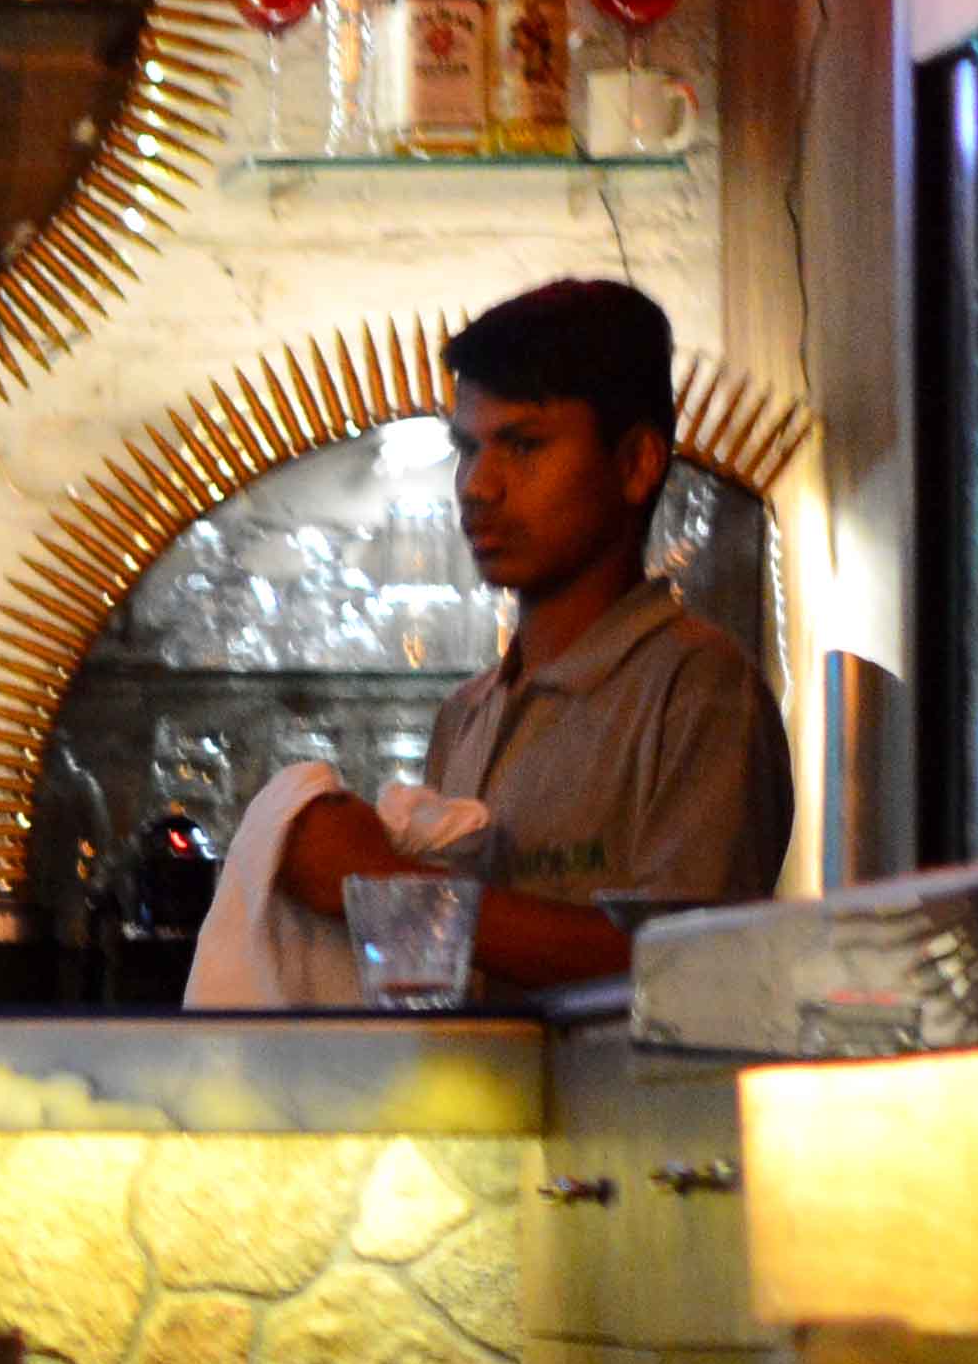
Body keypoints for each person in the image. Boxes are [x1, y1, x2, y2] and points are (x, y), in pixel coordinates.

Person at [276, 276, 792, 995]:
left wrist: (383, 884)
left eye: (522, 445)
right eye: (468, 447)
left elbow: (689, 970)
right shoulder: (466, 713)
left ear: (635, 464)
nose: (477, 486)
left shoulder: (697, 688)